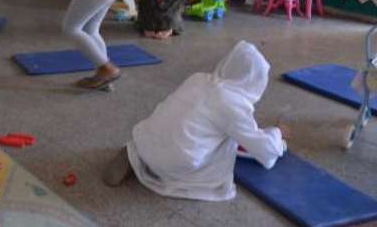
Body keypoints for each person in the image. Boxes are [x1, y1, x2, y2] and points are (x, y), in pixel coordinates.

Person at [103, 41, 288, 202]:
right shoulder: (234, 105)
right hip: (175, 165)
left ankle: (137, 157)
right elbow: (265, 150)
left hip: (145, 140)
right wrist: (277, 133)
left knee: (202, 124)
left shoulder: (198, 78)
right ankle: (155, 168)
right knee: (230, 136)